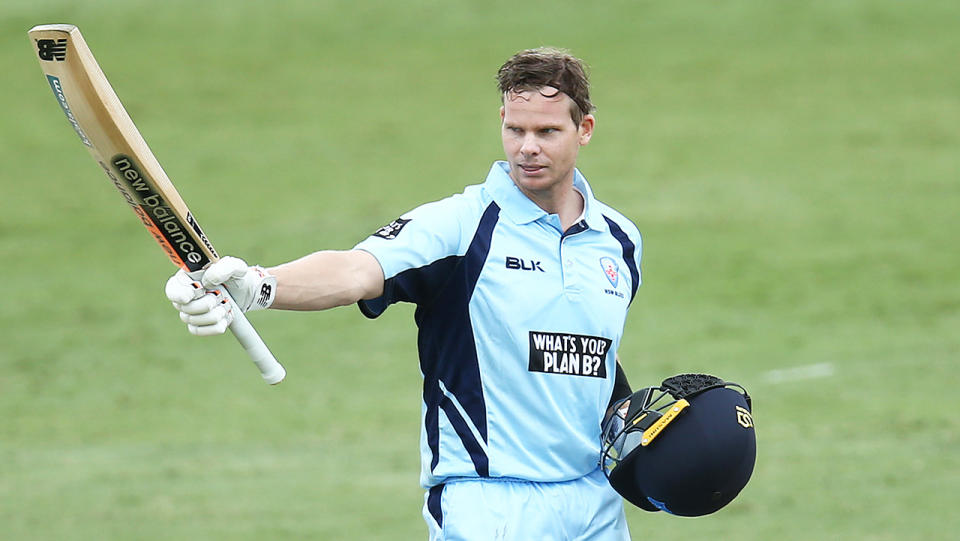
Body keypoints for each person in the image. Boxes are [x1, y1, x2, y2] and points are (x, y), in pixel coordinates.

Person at [165, 47, 642, 540]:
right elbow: (356, 271)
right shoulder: (460, 226)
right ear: (501, 119)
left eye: (547, 132)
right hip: (490, 504)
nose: (527, 147)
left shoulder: (620, 241)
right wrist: (259, 286)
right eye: (515, 129)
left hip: (595, 503)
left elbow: (590, 351)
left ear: (584, 130)